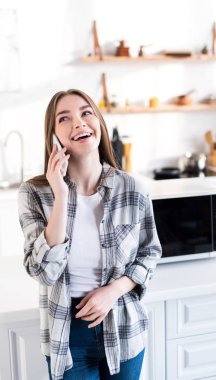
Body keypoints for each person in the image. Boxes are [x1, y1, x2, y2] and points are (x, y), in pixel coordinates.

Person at [18, 89, 162, 380]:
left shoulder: (132, 189)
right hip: (67, 335)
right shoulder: (34, 194)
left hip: (123, 327)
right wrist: (60, 195)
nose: (79, 123)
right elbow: (44, 271)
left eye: (86, 113)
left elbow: (150, 253)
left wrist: (113, 291)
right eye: (65, 118)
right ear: (53, 136)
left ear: (98, 123)